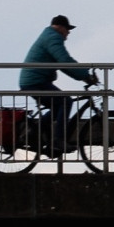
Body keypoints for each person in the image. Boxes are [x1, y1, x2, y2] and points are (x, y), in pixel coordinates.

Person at [19, 15, 98, 155]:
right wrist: (85, 76)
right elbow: (64, 61)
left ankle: (34, 131)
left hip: (33, 82)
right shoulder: (53, 38)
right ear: (60, 27)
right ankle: (58, 141)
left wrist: (83, 76)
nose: (68, 33)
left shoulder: (49, 36)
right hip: (35, 82)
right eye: (68, 29)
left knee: (58, 105)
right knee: (65, 102)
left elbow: (64, 63)